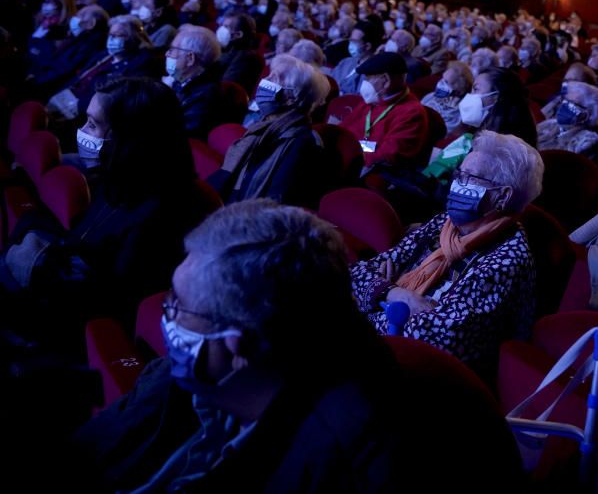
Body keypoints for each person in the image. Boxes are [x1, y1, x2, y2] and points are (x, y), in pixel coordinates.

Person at [69, 200, 434, 491]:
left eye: (177, 304)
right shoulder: (189, 374)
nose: (167, 316)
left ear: (235, 346)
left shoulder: (338, 466)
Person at [1, 78, 213, 345]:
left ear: (130, 137)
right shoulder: (119, 175)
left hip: (77, 327)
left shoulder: (166, 209)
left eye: (93, 124)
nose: (82, 132)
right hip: (64, 295)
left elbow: (113, 299)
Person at [350, 130, 542, 376]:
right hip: (382, 346)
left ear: (502, 196)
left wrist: (368, 305)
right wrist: (394, 293)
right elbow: (357, 274)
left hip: (431, 376)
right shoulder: (445, 223)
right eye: (459, 174)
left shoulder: (507, 259)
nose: (456, 184)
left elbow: (435, 337)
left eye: (470, 178)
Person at [211, 54, 328, 208]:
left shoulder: (303, 143)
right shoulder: (262, 126)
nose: (265, 82)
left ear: (292, 97)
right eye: (269, 75)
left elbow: (278, 199)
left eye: (275, 79)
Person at [47, 14, 159, 122]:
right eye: (110, 35)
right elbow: (79, 76)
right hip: (68, 101)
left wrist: (78, 106)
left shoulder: (141, 62)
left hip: (91, 115)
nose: (111, 39)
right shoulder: (104, 55)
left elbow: (116, 98)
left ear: (133, 37)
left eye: (117, 35)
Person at [339, 51, 429, 173]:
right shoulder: (372, 100)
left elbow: (388, 155)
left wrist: (346, 157)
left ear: (386, 80)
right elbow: (342, 131)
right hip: (348, 157)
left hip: (371, 171)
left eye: (368, 78)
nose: (364, 83)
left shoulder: (412, 112)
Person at [536, 81, 598, 163]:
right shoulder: (551, 124)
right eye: (564, 100)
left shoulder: (585, 142)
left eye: (570, 103)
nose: (563, 105)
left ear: (586, 114)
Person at [216, 12, 265, 96]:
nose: (221, 29)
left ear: (238, 34)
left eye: (226, 27)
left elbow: (226, 87)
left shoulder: (247, 58)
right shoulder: (225, 50)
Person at [330, 20, 382, 95]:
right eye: (350, 40)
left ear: (367, 46)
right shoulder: (345, 62)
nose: (350, 43)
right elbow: (329, 83)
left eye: (354, 41)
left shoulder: (374, 72)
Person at [421, 60, 473, 133]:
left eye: (446, 82)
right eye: (442, 78)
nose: (440, 83)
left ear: (458, 90)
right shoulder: (431, 96)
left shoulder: (458, 116)